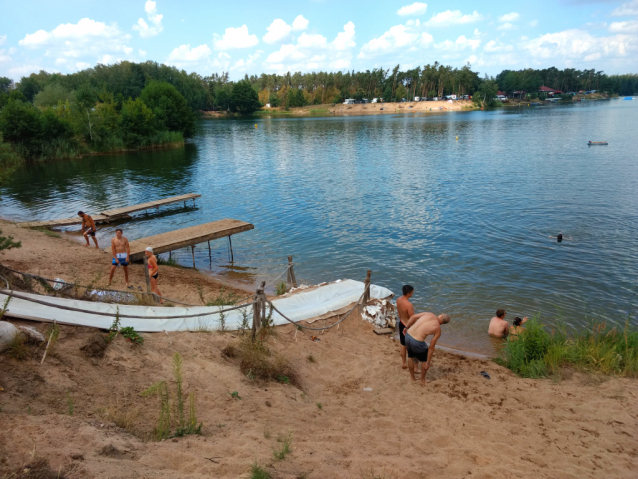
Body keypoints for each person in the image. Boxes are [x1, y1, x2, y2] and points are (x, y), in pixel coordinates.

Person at [403, 311, 451, 386]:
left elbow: (413, 317)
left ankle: (412, 378)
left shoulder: (429, 314)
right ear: (443, 323)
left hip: (408, 335)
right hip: (417, 341)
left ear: (441, 316)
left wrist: (406, 327)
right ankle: (422, 381)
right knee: (424, 360)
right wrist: (428, 362)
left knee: (410, 356)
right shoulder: (438, 329)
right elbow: (431, 347)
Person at [396, 285, 415, 370]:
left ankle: (403, 363)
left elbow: (399, 313)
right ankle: (414, 366)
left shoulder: (398, 300)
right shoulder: (409, 304)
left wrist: (401, 321)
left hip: (401, 323)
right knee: (411, 346)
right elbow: (412, 318)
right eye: (412, 292)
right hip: (408, 326)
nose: (413, 293)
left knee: (403, 344)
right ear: (408, 293)